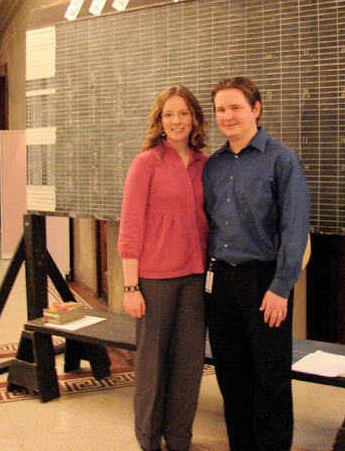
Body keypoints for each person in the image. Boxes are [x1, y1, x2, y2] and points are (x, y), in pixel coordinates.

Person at [202, 77, 311, 451]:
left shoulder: (282, 159)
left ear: (256, 109)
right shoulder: (213, 165)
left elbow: (295, 227)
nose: (227, 116)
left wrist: (281, 287)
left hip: (265, 282)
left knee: (270, 376)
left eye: (235, 107)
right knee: (231, 375)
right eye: (220, 109)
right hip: (220, 282)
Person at [117, 86, 209, 451]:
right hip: (154, 281)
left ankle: (180, 437)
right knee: (153, 364)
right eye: (168, 114)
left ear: (195, 119)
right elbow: (130, 228)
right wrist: (130, 287)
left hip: (194, 279)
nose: (176, 121)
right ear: (159, 121)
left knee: (188, 364)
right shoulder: (146, 163)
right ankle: (149, 438)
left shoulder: (206, 164)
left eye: (183, 113)